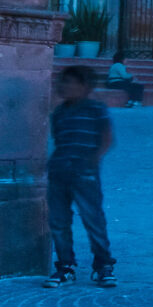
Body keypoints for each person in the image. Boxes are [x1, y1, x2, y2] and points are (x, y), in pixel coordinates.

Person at [45, 65, 117, 287]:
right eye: (62, 82)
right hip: (59, 171)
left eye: (69, 82)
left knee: (92, 219)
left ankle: (103, 265)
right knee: (58, 221)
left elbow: (107, 138)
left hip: (84, 173)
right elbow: (59, 139)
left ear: (84, 86)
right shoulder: (59, 113)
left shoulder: (96, 109)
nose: (63, 86)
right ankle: (65, 266)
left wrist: (92, 160)